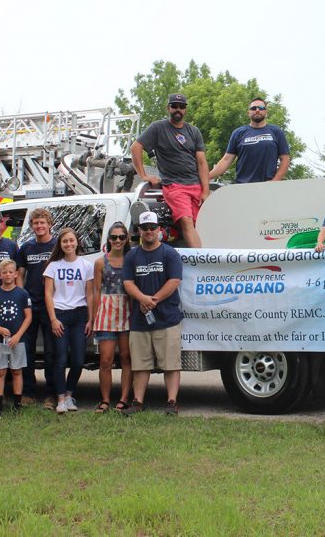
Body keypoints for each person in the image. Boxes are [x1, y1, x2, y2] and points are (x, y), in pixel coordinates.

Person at [122, 211, 184, 416]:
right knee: (140, 364)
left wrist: (153, 300)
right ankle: (137, 402)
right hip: (140, 321)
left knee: (171, 364)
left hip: (167, 319)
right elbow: (128, 282)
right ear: (139, 231)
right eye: (145, 228)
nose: (148, 231)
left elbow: (174, 281)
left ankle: (172, 402)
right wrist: (142, 299)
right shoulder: (132, 255)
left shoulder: (169, 253)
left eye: (152, 228)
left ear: (159, 230)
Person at [131, 93, 209, 248]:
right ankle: (202, 263)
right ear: (168, 108)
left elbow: (201, 162)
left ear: (185, 110)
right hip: (175, 186)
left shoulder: (194, 131)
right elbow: (136, 147)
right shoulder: (158, 128)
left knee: (203, 224)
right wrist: (143, 175)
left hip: (195, 186)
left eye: (181, 106)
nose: (177, 109)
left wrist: (205, 190)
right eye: (174, 106)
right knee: (186, 221)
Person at [43, 227, 96, 414]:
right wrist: (53, 319)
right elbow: (48, 295)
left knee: (78, 360)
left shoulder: (86, 265)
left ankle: (69, 394)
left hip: (80, 316)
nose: (68, 244)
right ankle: (60, 399)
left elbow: (90, 294)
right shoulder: (53, 266)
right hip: (60, 315)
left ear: (77, 242)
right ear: (60, 244)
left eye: (71, 240)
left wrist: (90, 319)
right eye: (64, 241)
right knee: (60, 359)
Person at [91, 221, 133, 413]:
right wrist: (93, 317)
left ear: (127, 239)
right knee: (106, 360)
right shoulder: (101, 262)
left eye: (121, 237)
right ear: (108, 239)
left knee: (126, 357)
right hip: (107, 311)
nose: (117, 240)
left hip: (127, 309)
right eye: (114, 237)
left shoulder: (131, 259)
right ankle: (105, 399)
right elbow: (96, 290)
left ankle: (124, 398)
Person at [0, 259, 32, 419]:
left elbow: (28, 317)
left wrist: (18, 335)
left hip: (18, 339)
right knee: (0, 371)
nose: (8, 275)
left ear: (16, 274)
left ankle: (17, 404)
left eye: (11, 272)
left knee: (17, 371)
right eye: (4, 272)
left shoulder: (22, 294)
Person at [17, 208, 56, 405]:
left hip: (51, 305)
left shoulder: (57, 245)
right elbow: (20, 276)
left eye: (42, 222)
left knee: (51, 352)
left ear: (50, 224)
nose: (39, 226)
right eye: (35, 223)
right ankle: (28, 392)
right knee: (27, 350)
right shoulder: (26, 248)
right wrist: (22, 300)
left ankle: (51, 394)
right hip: (30, 306)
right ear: (31, 226)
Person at [208, 97, 291, 184]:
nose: (257, 110)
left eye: (261, 108)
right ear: (248, 113)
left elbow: (285, 159)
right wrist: (206, 177)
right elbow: (226, 160)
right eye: (253, 108)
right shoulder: (238, 133)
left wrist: (274, 182)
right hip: (243, 187)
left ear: (266, 112)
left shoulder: (276, 132)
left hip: (268, 187)